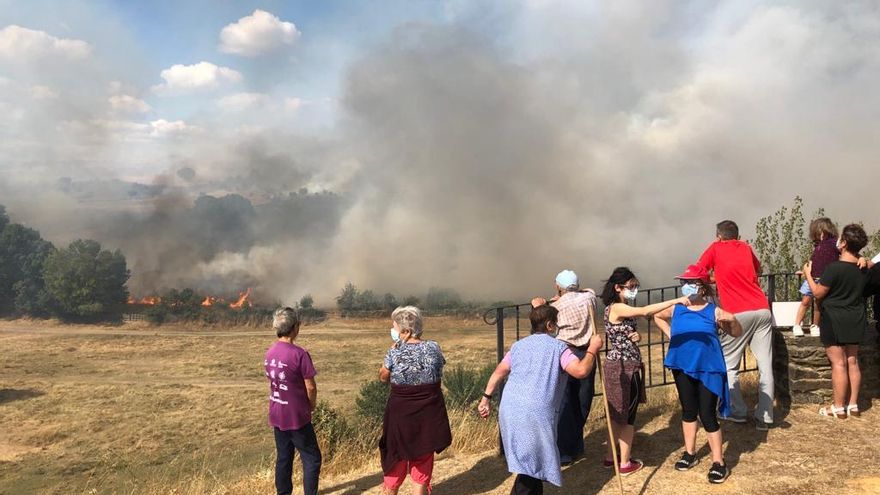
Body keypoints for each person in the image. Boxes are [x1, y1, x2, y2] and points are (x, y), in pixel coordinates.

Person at [478, 304, 604, 494]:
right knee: (531, 466)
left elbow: (499, 372)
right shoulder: (559, 348)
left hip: (510, 409)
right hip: (534, 413)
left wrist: (485, 398)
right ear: (550, 325)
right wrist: (592, 349)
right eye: (556, 324)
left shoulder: (518, 346)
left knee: (530, 463)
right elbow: (581, 371)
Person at [653, 265, 743, 484]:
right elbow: (657, 316)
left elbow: (736, 332)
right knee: (688, 410)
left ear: (702, 287)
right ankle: (690, 453)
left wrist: (732, 321)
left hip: (708, 369)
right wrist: (671, 335)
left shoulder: (714, 311)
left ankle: (718, 462)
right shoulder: (676, 308)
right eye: (683, 282)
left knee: (707, 413)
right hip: (681, 365)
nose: (685, 286)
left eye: (690, 282)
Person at [599, 267, 691, 475]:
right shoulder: (617, 308)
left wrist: (636, 337)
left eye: (636, 286)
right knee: (627, 417)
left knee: (616, 415)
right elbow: (646, 311)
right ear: (618, 287)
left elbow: (622, 333)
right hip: (625, 368)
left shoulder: (617, 309)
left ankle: (609, 458)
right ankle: (624, 463)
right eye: (631, 287)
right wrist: (675, 301)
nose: (634, 290)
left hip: (620, 365)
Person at [696, 220, 774, 430]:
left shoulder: (715, 248)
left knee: (730, 365)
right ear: (737, 236)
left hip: (737, 312)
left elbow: (699, 271)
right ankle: (765, 417)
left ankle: (737, 411)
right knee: (766, 365)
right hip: (762, 308)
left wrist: (713, 278)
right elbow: (757, 269)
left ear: (719, 236)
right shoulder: (746, 247)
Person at [378, 306, 451, 495]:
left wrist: (393, 354)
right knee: (423, 455)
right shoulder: (434, 347)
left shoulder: (394, 352)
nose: (393, 332)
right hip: (429, 414)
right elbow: (438, 366)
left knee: (396, 456)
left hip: (401, 415)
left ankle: (391, 489)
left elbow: (383, 376)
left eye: (395, 328)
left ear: (406, 331)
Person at [530, 269, 598, 464]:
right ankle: (576, 444)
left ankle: (563, 450)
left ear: (558, 287)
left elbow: (542, 322)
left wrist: (539, 306)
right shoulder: (590, 298)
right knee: (583, 400)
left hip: (565, 353)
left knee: (564, 400)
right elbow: (589, 290)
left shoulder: (556, 306)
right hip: (587, 353)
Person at [803, 224, 870, 419]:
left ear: (844, 243)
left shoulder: (834, 268)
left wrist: (807, 272)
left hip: (834, 318)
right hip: (856, 317)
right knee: (853, 361)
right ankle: (853, 405)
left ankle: (838, 407)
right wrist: (863, 259)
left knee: (838, 364)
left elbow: (817, 293)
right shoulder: (863, 268)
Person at [264, 307, 322, 495]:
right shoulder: (300, 354)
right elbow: (310, 386)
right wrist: (311, 404)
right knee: (312, 458)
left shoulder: (270, 351)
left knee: (283, 457)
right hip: (297, 416)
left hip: (277, 412)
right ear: (295, 328)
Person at [793, 218, 839, 337]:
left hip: (823, 278)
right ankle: (797, 325)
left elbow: (847, 251)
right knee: (805, 301)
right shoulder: (818, 246)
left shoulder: (835, 243)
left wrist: (860, 258)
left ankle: (815, 325)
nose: (821, 234)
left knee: (818, 303)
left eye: (822, 231)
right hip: (812, 277)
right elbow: (814, 261)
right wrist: (804, 271)